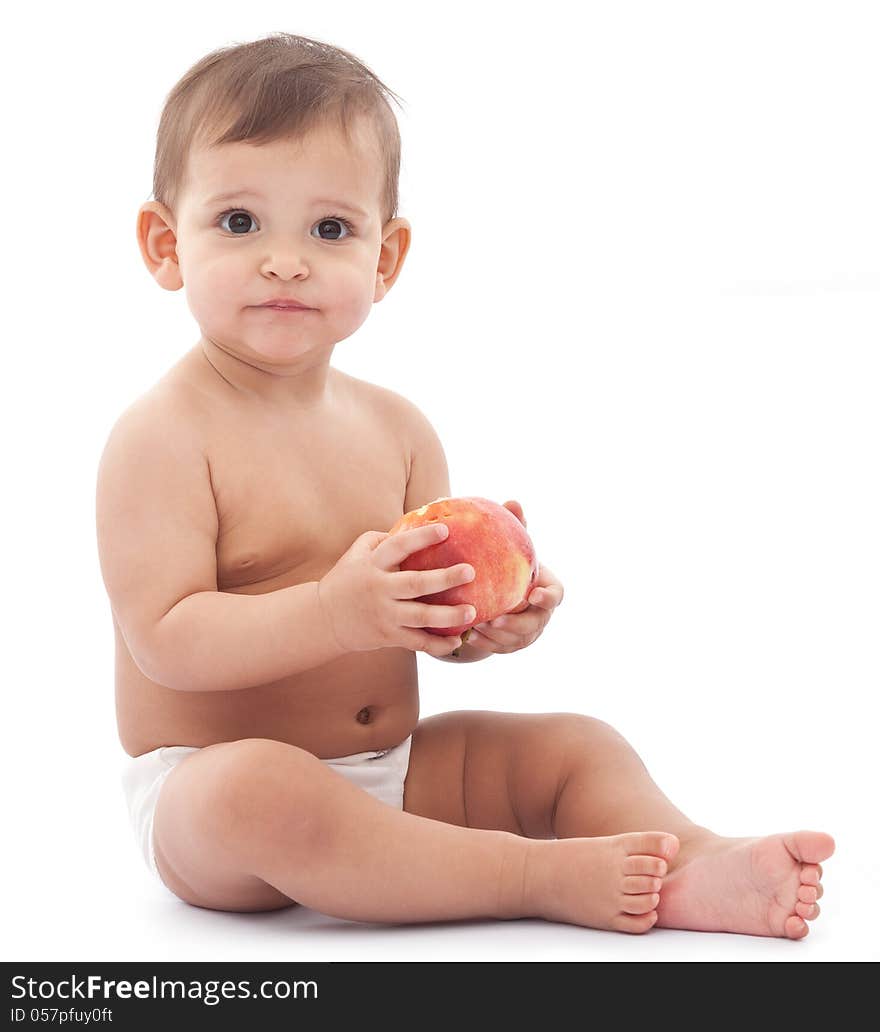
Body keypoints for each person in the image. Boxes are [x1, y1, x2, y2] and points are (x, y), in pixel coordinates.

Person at [96, 32, 832, 937]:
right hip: (208, 798)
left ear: (386, 258)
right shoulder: (163, 437)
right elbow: (167, 641)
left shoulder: (399, 431)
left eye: (330, 229)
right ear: (165, 244)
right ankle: (533, 877)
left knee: (572, 745)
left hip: (393, 766)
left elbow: (420, 628)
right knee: (262, 787)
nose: (285, 260)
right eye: (240, 222)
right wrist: (334, 612)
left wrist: (481, 620)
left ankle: (692, 858)